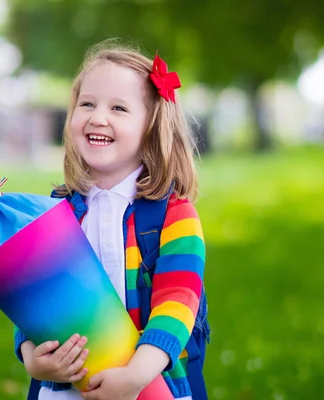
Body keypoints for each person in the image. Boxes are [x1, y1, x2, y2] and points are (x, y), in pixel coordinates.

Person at [14, 40, 208, 400]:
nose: (97, 117)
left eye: (119, 108)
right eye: (87, 104)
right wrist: (32, 358)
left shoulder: (173, 215)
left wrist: (135, 375)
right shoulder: (56, 213)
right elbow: (34, 298)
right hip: (67, 388)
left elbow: (178, 300)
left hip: (151, 385)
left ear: (151, 127)